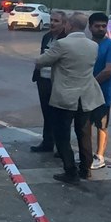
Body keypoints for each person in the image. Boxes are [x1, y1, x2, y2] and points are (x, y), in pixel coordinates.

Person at [36, 12, 104, 184]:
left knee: (62, 134)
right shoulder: (93, 45)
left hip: (65, 97)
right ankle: (85, 169)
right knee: (83, 134)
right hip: (85, 97)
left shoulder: (62, 44)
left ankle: (70, 170)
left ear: (69, 26)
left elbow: (41, 61)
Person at [30, 10, 67, 153]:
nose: (52, 23)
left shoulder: (66, 40)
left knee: (58, 115)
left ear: (64, 24)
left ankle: (61, 147)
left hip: (58, 81)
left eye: (56, 21)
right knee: (46, 113)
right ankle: (47, 143)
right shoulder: (46, 37)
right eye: (51, 20)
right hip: (43, 80)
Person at [87, 12, 111, 170]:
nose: (101, 29)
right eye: (97, 26)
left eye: (104, 26)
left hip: (103, 94)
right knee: (85, 124)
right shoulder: (87, 45)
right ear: (90, 27)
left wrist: (90, 84)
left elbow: (108, 71)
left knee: (102, 125)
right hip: (86, 94)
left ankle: (99, 156)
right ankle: (86, 154)